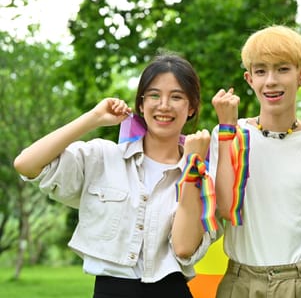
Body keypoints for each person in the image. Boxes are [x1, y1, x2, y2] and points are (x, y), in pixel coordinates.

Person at [13, 54, 219, 298]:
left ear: (192, 107)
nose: (163, 105)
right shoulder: (103, 157)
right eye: (154, 95)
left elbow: (185, 249)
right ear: (141, 104)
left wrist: (193, 167)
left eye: (176, 97)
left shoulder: (203, 173)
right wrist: (94, 118)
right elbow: (26, 164)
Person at [209, 25, 301, 298]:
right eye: (261, 71)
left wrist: (290, 279)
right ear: (249, 79)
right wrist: (226, 130)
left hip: (297, 282)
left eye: (282, 69)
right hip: (239, 282)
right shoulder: (230, 134)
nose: (270, 81)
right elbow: (224, 209)